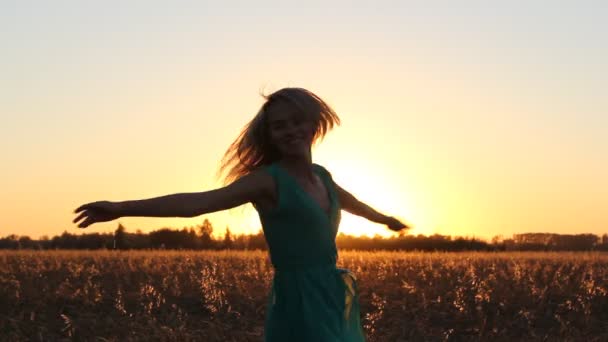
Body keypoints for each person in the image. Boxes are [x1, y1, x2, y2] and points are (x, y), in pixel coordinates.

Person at [73, 87, 410, 341]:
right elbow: (196, 204)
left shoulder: (322, 176)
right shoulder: (267, 182)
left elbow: (351, 203)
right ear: (271, 137)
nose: (290, 130)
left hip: (332, 291)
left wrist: (384, 220)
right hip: (298, 297)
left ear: (314, 124)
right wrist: (120, 208)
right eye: (279, 126)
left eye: (297, 121)